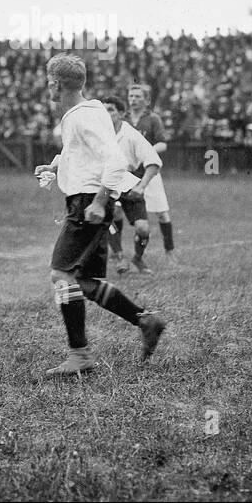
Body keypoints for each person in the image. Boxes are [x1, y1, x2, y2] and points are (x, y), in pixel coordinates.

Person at [34, 56, 166, 375]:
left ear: (56, 83)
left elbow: (115, 159)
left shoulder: (83, 116)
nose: (47, 86)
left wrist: (98, 202)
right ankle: (146, 321)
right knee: (84, 280)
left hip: (88, 202)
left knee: (61, 275)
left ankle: (80, 354)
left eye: (48, 80)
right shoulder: (87, 112)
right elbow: (85, 152)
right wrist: (57, 165)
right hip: (87, 198)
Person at [100, 95, 163, 275]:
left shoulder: (131, 135)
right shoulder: (98, 134)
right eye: (103, 110)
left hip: (129, 182)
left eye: (110, 110)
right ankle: (119, 256)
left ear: (121, 113)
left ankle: (138, 257)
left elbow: (153, 161)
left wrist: (141, 186)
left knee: (143, 229)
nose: (106, 114)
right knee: (109, 216)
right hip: (106, 184)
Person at [127, 84, 176, 261]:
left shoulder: (153, 119)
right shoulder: (123, 119)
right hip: (129, 174)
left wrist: (145, 152)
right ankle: (124, 255)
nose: (133, 99)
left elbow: (163, 143)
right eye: (131, 96)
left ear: (147, 100)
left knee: (162, 213)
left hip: (149, 172)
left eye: (137, 96)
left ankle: (169, 251)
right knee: (117, 212)